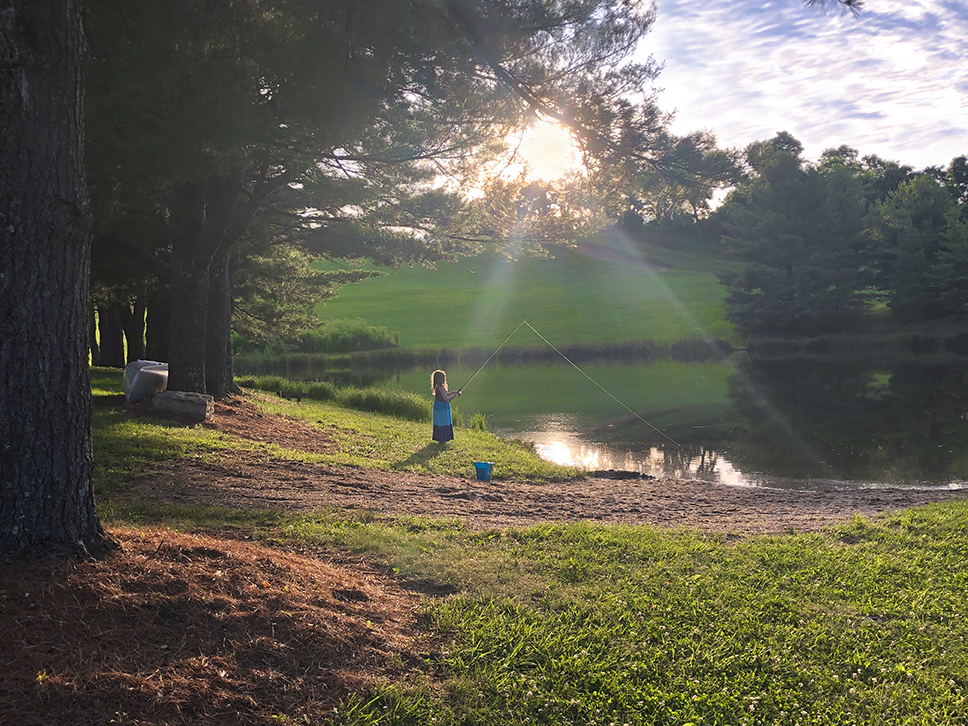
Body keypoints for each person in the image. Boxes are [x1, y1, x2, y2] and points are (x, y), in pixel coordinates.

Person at [431, 369, 461, 442]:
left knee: (440, 422)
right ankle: (443, 437)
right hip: (442, 408)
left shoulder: (438, 387)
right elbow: (446, 398)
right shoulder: (441, 388)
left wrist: (453, 392)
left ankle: (441, 437)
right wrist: (455, 395)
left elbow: (446, 395)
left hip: (439, 407)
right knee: (444, 421)